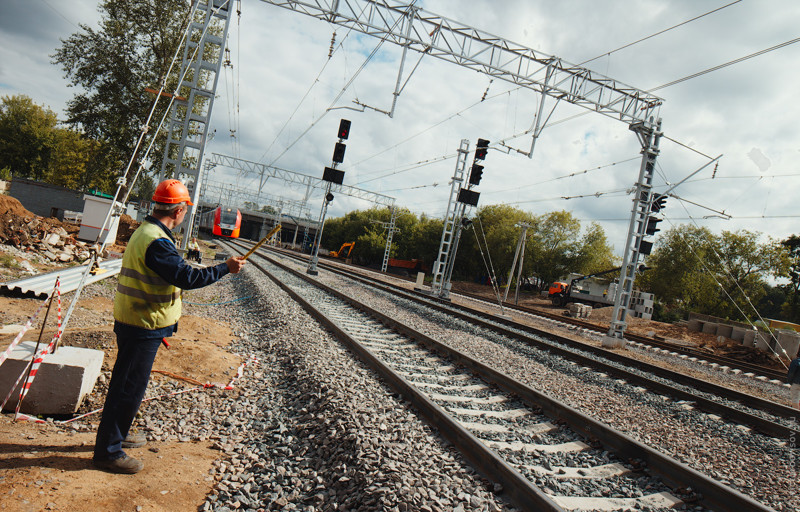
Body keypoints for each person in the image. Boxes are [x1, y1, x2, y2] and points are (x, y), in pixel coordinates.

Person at [92, 179, 246, 474]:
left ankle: (117, 437)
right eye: (185, 210)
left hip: (137, 319)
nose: (184, 215)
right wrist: (224, 267)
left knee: (129, 385)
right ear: (177, 210)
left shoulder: (147, 232)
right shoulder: (158, 242)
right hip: (142, 323)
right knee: (128, 388)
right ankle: (108, 452)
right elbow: (188, 278)